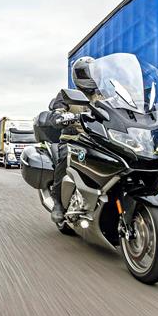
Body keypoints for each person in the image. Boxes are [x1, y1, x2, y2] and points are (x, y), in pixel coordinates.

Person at [47, 56, 99, 223]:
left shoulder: (103, 95)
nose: (91, 76)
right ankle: (58, 203)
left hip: (98, 139)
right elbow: (57, 111)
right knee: (65, 160)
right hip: (73, 139)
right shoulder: (67, 95)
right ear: (78, 75)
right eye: (87, 73)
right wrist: (60, 116)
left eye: (95, 72)